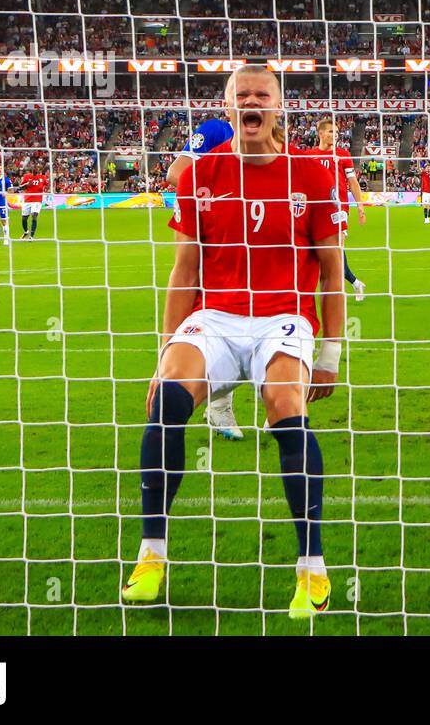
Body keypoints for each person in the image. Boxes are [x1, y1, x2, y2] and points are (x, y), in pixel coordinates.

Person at [121, 66, 346, 617]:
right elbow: (184, 270)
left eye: (261, 95)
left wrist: (331, 355)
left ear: (278, 107)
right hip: (216, 315)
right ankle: (152, 555)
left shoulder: (312, 175)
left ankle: (312, 570)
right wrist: (164, 352)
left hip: (284, 317)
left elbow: (333, 268)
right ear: (227, 109)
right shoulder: (199, 173)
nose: (251, 102)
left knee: (285, 405)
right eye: (241, 95)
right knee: (167, 400)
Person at [165, 114, 241, 440]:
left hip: (251, 233)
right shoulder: (215, 130)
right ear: (228, 103)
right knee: (217, 311)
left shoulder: (272, 139)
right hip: (212, 231)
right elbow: (176, 173)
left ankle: (283, 404)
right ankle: (218, 406)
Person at [302, 117, 367, 303]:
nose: (335, 135)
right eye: (331, 132)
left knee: (335, 250)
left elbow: (352, 182)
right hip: (314, 211)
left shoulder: (343, 155)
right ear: (320, 133)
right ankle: (355, 282)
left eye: (337, 133)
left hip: (337, 209)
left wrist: (360, 206)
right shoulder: (308, 156)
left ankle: (336, 290)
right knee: (321, 252)